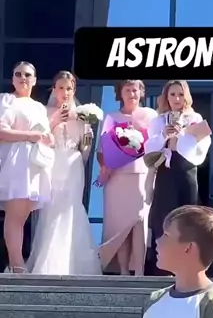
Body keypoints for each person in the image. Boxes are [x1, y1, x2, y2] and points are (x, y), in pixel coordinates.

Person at [28, 71, 100, 276]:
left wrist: (86, 133)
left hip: (73, 164)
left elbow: (85, 147)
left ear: (74, 90)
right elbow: (39, 138)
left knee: (72, 208)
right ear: (54, 89)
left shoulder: (82, 114)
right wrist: (54, 121)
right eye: (61, 88)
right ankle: (48, 262)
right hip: (52, 162)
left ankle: (74, 263)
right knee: (51, 208)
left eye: (69, 88)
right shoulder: (45, 111)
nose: (65, 92)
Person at [144, 79, 211, 277]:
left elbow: (201, 147)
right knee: (164, 216)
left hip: (187, 170)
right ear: (166, 97)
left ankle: (188, 265)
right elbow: (149, 149)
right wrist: (163, 136)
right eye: (172, 94)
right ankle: (163, 266)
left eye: (180, 94)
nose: (176, 99)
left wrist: (182, 135)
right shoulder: (158, 121)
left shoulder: (194, 117)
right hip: (166, 171)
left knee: (188, 216)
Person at [0, 62, 53, 273]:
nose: (23, 78)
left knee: (21, 216)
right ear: (13, 78)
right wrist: (31, 136)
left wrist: (46, 139)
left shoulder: (39, 107)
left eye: (27, 74)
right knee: (14, 214)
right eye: (18, 74)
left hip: (34, 164)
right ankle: (17, 265)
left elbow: (44, 134)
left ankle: (16, 265)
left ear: (34, 80)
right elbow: (1, 132)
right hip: (16, 163)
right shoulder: (7, 100)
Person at [97, 79, 150, 276]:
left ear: (141, 93)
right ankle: (123, 271)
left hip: (141, 176)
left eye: (135, 90)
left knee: (139, 222)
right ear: (120, 93)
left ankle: (139, 271)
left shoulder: (150, 115)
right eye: (127, 90)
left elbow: (156, 145)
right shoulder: (111, 117)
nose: (131, 94)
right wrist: (106, 166)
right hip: (117, 178)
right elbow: (101, 150)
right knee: (120, 226)